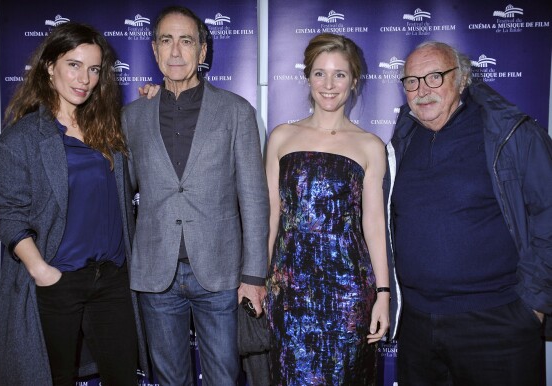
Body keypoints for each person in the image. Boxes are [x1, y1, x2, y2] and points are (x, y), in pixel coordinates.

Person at [385, 41, 551, 385]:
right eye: (411, 81)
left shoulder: (511, 133)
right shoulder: (402, 138)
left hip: (496, 323)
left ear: (461, 80)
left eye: (434, 77)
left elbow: (548, 216)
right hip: (417, 324)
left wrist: (532, 305)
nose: (421, 90)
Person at [122, 6, 269, 385]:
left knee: (223, 377)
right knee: (170, 380)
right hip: (157, 273)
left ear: (202, 51)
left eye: (186, 41)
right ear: (154, 50)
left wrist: (253, 274)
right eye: (166, 41)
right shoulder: (132, 117)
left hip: (220, 272)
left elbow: (253, 198)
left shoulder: (237, 112)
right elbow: (128, 188)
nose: (175, 52)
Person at [0, 22, 142, 386]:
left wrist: (150, 101)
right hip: (58, 279)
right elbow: (8, 215)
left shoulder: (108, 128)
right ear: (49, 67)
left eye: (93, 69)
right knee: (55, 378)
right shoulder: (21, 139)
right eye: (74, 65)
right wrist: (42, 271)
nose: (85, 78)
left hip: (112, 278)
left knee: (123, 376)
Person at [265, 33, 390, 385]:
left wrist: (383, 294)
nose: (329, 84)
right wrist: (260, 278)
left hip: (349, 286)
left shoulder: (370, 145)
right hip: (289, 286)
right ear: (307, 78)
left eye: (340, 74)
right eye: (320, 73)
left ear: (354, 81)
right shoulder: (281, 137)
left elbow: (374, 224)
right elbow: (271, 214)